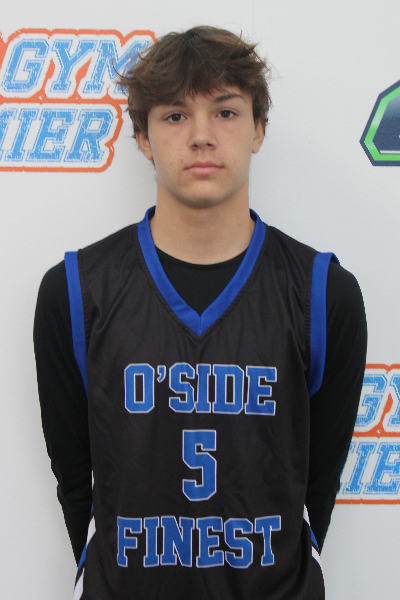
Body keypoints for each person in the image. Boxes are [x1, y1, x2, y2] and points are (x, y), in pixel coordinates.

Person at [34, 26, 367, 600]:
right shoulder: (74, 290)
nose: (202, 136)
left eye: (226, 112)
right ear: (143, 137)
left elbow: (316, 480)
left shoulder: (324, 293)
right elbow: (75, 478)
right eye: (174, 116)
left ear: (259, 129)